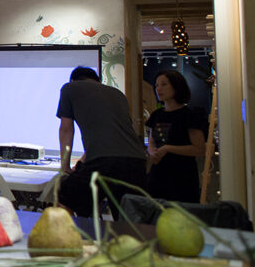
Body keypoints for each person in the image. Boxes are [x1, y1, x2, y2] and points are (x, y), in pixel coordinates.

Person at [55, 66, 146, 217]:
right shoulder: (118, 94)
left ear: (73, 80)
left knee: (67, 195)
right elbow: (111, 135)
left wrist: (65, 166)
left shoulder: (69, 88)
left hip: (106, 163)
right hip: (136, 162)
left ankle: (67, 232)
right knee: (126, 217)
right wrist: (83, 162)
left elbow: (66, 129)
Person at [146, 69, 208, 202]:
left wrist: (168, 148)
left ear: (176, 86)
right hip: (158, 172)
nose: (159, 89)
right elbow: (152, 141)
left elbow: (199, 149)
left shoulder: (189, 115)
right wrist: (152, 152)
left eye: (164, 84)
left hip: (182, 174)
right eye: (156, 85)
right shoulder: (156, 115)